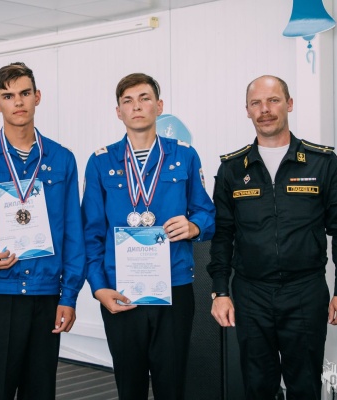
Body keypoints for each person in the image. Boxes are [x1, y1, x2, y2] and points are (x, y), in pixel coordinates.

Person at [207, 75, 337, 399]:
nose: (265, 109)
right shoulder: (233, 169)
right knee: (257, 386)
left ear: (289, 104)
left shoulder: (322, 162)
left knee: (305, 386)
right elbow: (222, 235)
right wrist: (220, 291)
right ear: (247, 110)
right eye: (256, 103)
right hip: (251, 294)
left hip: (305, 292)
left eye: (273, 100)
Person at [82, 73, 215, 399]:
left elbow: (207, 213)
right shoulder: (100, 162)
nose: (137, 106)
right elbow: (91, 233)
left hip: (173, 288)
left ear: (159, 105)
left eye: (144, 98)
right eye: (128, 101)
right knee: (130, 386)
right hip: (120, 292)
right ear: (119, 112)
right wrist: (98, 288)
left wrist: (194, 227)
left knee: (172, 385)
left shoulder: (185, 155)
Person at [0, 62, 86, 399]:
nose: (18, 102)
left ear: (37, 97)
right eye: (8, 96)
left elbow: (73, 232)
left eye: (25, 93)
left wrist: (69, 295)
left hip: (46, 296)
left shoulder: (62, 159)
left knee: (40, 391)